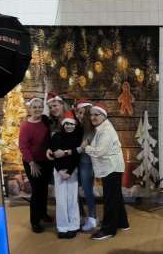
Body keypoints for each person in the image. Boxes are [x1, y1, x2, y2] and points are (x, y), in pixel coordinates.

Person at [82, 104, 129, 241]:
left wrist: (86, 147)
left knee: (110, 199)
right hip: (112, 167)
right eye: (91, 115)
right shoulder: (102, 128)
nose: (93, 117)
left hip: (111, 168)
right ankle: (122, 222)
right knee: (116, 197)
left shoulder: (105, 131)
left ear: (103, 116)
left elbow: (100, 151)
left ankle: (108, 230)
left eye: (96, 115)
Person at [47, 112, 84, 238]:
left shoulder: (77, 138)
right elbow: (53, 155)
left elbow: (76, 157)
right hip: (59, 172)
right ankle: (62, 227)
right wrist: (59, 171)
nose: (69, 126)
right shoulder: (56, 136)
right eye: (67, 124)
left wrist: (69, 172)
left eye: (72, 124)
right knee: (61, 200)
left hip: (71, 172)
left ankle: (74, 225)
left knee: (72, 199)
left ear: (75, 125)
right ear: (63, 125)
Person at [18, 98, 51, 232]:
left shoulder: (45, 121)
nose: (37, 109)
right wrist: (32, 163)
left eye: (39, 107)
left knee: (44, 189)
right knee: (37, 191)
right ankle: (35, 221)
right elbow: (23, 146)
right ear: (29, 109)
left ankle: (43, 213)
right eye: (34, 107)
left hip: (46, 161)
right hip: (32, 162)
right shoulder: (26, 126)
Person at [74, 100, 97, 232]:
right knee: (75, 190)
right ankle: (81, 215)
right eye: (78, 113)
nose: (79, 116)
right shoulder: (82, 127)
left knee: (88, 190)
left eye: (81, 113)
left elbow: (85, 147)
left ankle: (92, 218)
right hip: (80, 162)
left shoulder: (92, 129)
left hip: (87, 163)